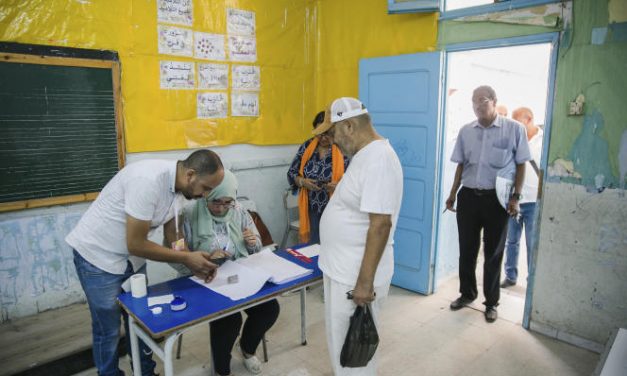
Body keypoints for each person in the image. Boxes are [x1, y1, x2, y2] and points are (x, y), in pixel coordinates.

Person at [66, 150, 224, 376]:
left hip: (131, 260)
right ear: (190, 174)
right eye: (206, 188)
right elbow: (136, 243)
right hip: (97, 258)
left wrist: (192, 262)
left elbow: (174, 233)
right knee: (108, 329)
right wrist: (187, 258)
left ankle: (145, 372)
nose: (206, 195)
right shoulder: (147, 181)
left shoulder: (181, 189)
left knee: (140, 320)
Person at [314, 97, 403, 375]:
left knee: (354, 352)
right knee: (342, 345)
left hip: (356, 279)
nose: (332, 141)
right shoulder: (364, 156)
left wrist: (364, 284)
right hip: (343, 270)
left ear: (349, 126)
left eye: (333, 133)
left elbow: (380, 226)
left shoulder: (378, 159)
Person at [170, 169, 278, 376]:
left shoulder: (238, 210)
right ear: (206, 195)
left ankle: (247, 348)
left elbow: (256, 247)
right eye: (216, 202)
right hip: (204, 279)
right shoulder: (190, 213)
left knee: (269, 309)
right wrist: (205, 259)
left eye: (227, 202)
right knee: (229, 319)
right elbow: (177, 254)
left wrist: (252, 243)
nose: (221, 208)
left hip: (239, 274)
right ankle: (221, 369)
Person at [445, 86, 531, 323]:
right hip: (469, 197)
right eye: (474, 102)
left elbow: (522, 164)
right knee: (467, 250)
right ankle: (467, 293)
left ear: (494, 101)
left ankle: (491, 303)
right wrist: (453, 193)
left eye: (482, 101)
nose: (477, 106)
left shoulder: (514, 129)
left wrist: (516, 197)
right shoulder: (465, 131)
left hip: (497, 200)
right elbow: (460, 165)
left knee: (493, 253)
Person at [287, 111, 349, 244]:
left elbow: (354, 181)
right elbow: (292, 173)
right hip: (312, 208)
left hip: (336, 208)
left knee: (333, 244)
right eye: (319, 133)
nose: (323, 137)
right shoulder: (307, 146)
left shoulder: (343, 149)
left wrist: (339, 186)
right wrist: (303, 181)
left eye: (327, 133)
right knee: (313, 246)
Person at [501, 107, 543, 287]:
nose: (515, 126)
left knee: (532, 244)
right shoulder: (514, 140)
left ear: (529, 119)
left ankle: (531, 280)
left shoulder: (545, 140)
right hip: (514, 199)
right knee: (511, 242)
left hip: (534, 202)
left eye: (518, 122)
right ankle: (510, 276)